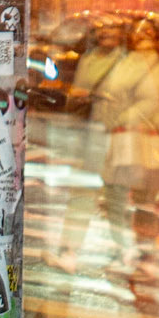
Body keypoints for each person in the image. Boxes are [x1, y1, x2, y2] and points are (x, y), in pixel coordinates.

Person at [99, 16, 159, 273]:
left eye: (147, 33)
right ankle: (124, 248)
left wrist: (158, 121)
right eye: (138, 33)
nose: (142, 37)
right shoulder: (124, 65)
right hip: (124, 138)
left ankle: (144, 247)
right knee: (116, 195)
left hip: (152, 140)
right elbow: (110, 97)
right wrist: (113, 119)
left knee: (147, 197)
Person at [47, 15, 128, 271]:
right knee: (82, 191)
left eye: (113, 29)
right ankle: (69, 251)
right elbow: (76, 95)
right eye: (102, 30)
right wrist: (80, 99)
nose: (107, 34)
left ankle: (125, 252)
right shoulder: (88, 59)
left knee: (116, 197)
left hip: (117, 136)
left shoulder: (129, 62)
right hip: (90, 134)